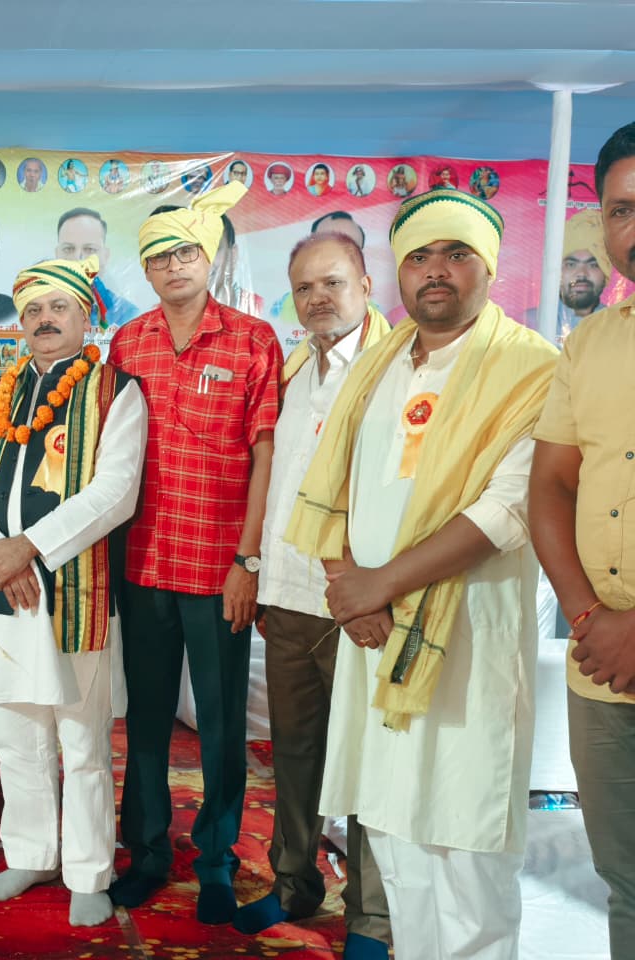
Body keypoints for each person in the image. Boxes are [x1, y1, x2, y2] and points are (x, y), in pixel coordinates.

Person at [286, 189, 557, 960]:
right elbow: (330, 486)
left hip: (467, 636)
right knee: (395, 841)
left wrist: (379, 585)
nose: (436, 270)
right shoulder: (376, 363)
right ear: (398, 272)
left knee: (465, 849)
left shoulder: (532, 368)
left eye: (456, 253)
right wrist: (350, 589)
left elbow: (509, 508)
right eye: (419, 256)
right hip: (373, 636)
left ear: (489, 267)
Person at [0, 255, 148, 928]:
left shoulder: (115, 390)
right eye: (32, 310)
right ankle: (30, 854)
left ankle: (89, 871)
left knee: (83, 742)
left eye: (57, 307)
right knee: (16, 734)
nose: (43, 320)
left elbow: (116, 492)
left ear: (84, 317)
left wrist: (28, 549)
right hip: (3, 586)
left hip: (73, 590)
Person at [106, 181, 282, 923]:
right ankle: (147, 855)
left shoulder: (253, 340)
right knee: (144, 721)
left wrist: (249, 562)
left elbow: (266, 453)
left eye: (185, 253)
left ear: (209, 259)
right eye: (158, 257)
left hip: (219, 570)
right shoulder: (128, 342)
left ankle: (215, 861)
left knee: (219, 724)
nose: (173, 266)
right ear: (146, 270)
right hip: (143, 563)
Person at [233, 233, 392, 958]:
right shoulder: (296, 368)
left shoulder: (394, 367)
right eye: (304, 288)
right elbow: (277, 478)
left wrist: (372, 589)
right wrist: (261, 574)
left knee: (365, 761)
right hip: (291, 596)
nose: (318, 298)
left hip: (359, 601)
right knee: (294, 752)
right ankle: (295, 883)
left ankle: (371, 916)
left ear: (365, 284)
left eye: (332, 282)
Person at [530, 120, 635, 951]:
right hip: (603, 664)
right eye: (622, 210)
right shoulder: (590, 344)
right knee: (625, 882)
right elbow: (550, 487)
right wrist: (587, 616)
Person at [55, 208, 142, 327]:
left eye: (90, 249)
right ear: (57, 255)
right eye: (68, 249)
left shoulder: (129, 316)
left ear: (105, 256)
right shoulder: (36, 309)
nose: (78, 258)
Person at [557, 209, 611, 335]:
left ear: (605, 273)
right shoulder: (531, 323)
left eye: (593, 265)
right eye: (571, 264)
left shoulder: (620, 327)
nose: (581, 273)